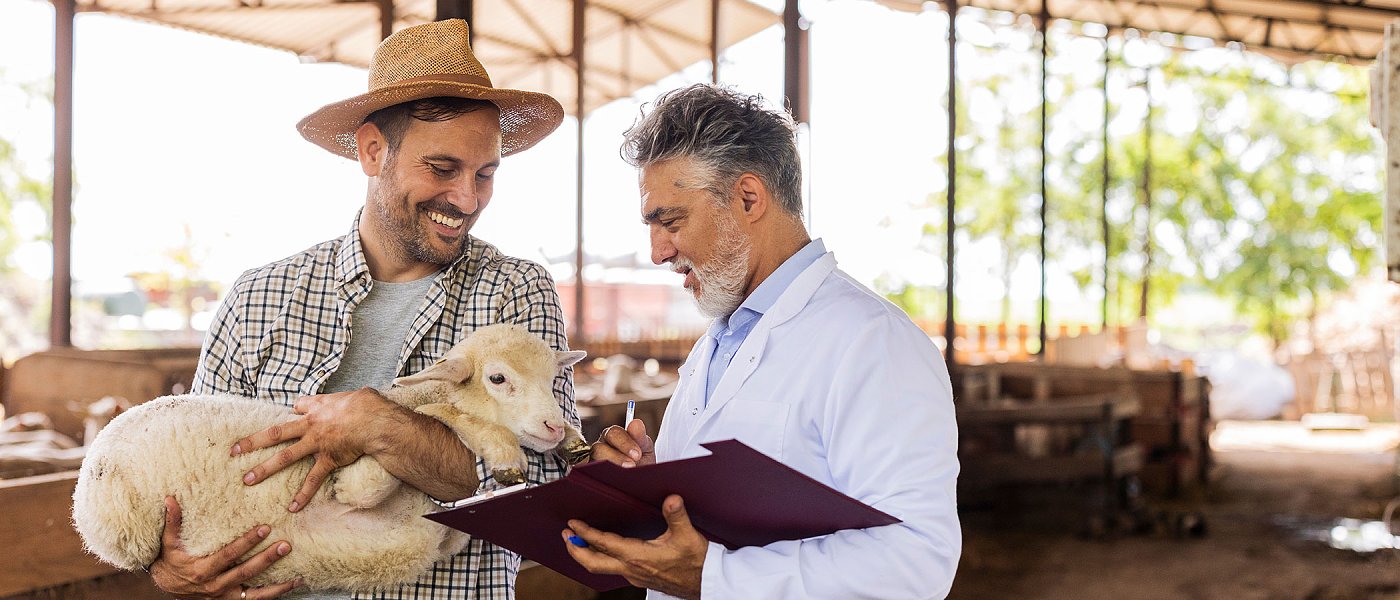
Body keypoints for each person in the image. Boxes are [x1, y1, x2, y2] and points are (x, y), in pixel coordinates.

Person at [146, 19, 577, 600]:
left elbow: (547, 490)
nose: (467, 198)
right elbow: (186, 467)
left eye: (485, 174)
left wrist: (382, 426)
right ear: (373, 151)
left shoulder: (516, 292)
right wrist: (170, 568)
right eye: (442, 168)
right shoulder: (258, 298)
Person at [564, 84, 961, 599]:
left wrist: (715, 579)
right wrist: (647, 483)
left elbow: (917, 559)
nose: (658, 251)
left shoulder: (874, 343)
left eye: (671, 221)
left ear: (748, 198)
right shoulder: (720, 341)